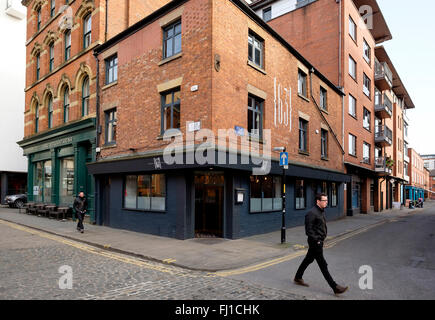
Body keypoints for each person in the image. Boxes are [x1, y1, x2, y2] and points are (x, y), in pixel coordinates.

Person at [294, 193, 348, 295]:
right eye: (324, 200)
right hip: (315, 242)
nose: (326, 202)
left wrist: (322, 240)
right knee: (323, 265)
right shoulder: (311, 213)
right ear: (318, 201)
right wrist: (318, 241)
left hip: (319, 241)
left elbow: (320, 227)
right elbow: (308, 231)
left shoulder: (320, 211)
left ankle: (298, 277)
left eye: (327, 200)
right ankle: (335, 287)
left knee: (308, 259)